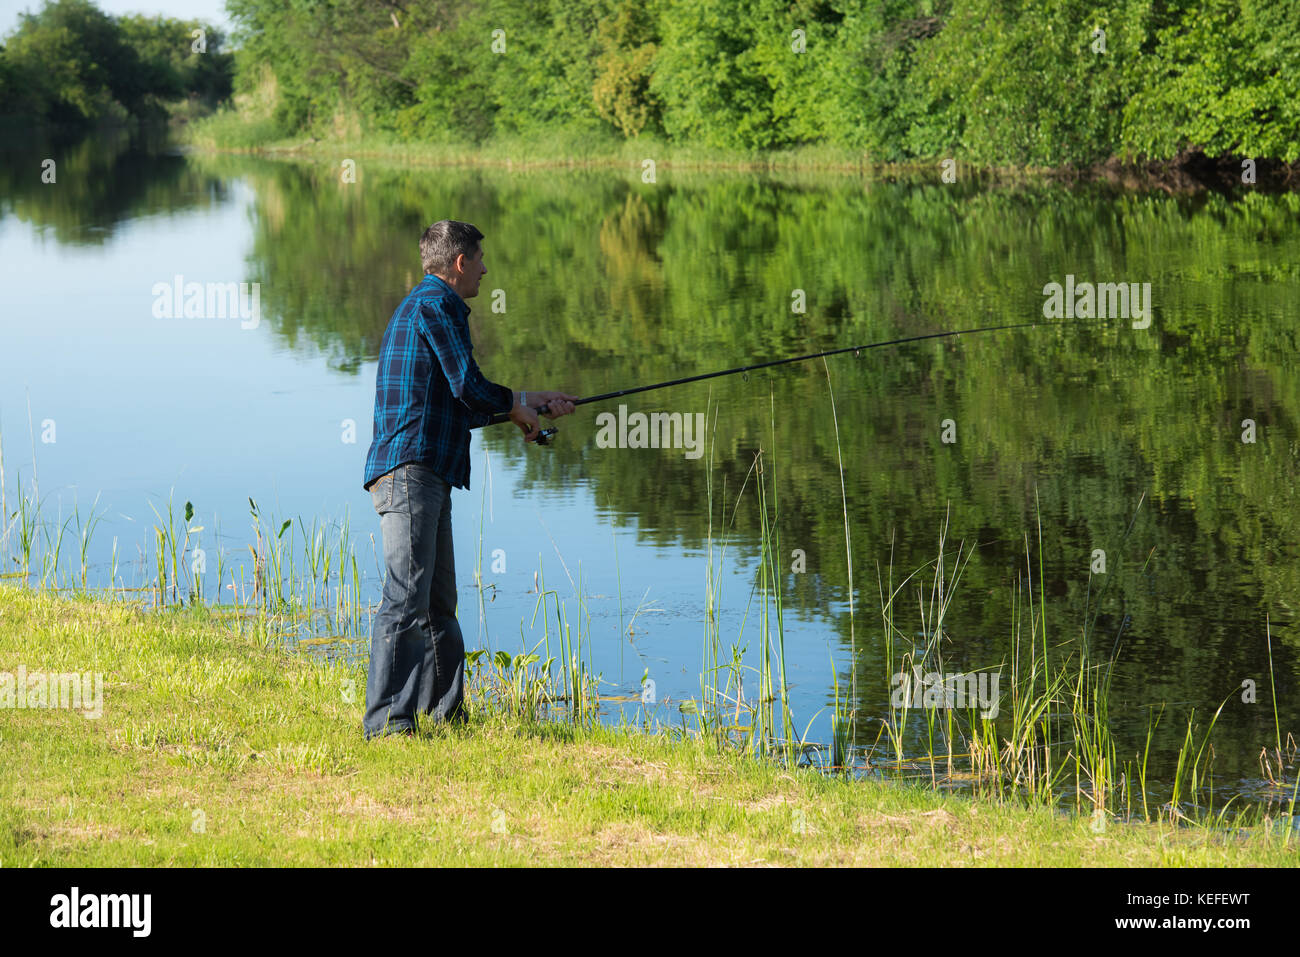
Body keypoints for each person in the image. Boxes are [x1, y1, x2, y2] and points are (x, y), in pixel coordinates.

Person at [360, 219, 577, 739]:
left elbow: (461, 403)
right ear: (459, 263)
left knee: (436, 604)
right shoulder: (436, 308)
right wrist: (516, 407)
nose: (485, 268)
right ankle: (388, 724)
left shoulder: (426, 307)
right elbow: (471, 387)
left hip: (424, 471)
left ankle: (446, 717)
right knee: (405, 601)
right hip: (409, 473)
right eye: (479, 259)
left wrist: (530, 403)